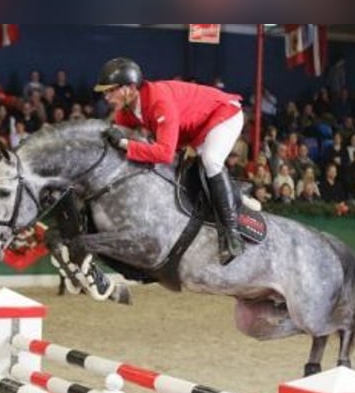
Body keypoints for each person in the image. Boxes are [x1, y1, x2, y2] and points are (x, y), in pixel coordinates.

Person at [95, 57, 245, 265]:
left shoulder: (158, 100)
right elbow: (125, 140)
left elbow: (163, 153)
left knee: (211, 160)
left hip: (223, 113)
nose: (106, 96)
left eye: (111, 90)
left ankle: (232, 233)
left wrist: (125, 145)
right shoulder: (125, 111)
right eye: (105, 92)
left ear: (129, 88)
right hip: (193, 129)